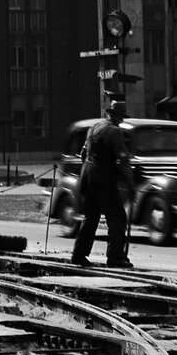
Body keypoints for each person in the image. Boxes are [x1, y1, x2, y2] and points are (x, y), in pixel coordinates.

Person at [70, 99, 135, 268]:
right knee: (117, 216)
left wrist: (88, 171)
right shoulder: (115, 132)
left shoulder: (94, 128)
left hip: (86, 174)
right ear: (119, 117)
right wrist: (130, 183)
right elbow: (124, 160)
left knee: (90, 215)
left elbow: (83, 153)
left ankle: (78, 254)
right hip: (102, 176)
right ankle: (115, 257)